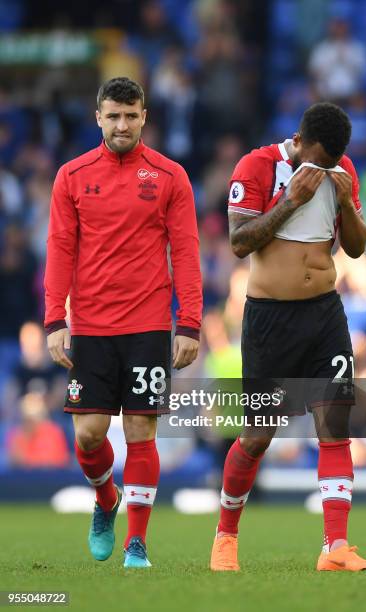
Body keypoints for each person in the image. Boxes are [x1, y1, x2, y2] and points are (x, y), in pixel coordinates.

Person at [210, 102, 366, 572]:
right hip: (270, 320)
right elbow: (240, 241)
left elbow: (356, 246)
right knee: (258, 435)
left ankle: (336, 547)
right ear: (300, 140)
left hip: (325, 315)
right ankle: (225, 538)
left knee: (335, 425)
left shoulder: (342, 168)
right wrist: (291, 201)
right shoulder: (258, 166)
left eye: (334, 162)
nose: (326, 169)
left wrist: (345, 201)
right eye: (321, 159)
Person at [44, 77, 202, 568]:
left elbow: (187, 249)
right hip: (89, 325)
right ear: (98, 118)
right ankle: (106, 497)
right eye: (113, 116)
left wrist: (189, 322)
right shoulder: (71, 176)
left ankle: (137, 542)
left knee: (140, 430)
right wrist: (54, 319)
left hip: (148, 324)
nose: (122, 125)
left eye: (131, 116)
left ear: (144, 117)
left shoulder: (170, 175)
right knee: (89, 435)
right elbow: (60, 249)